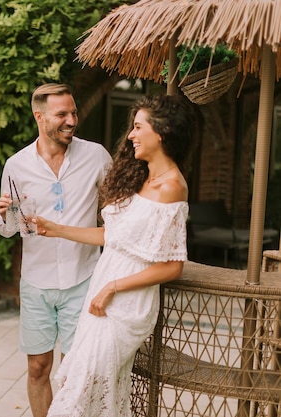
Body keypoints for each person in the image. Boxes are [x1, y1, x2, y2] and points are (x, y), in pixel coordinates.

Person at [36, 94, 198, 417]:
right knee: (86, 392)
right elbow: (113, 237)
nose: (131, 135)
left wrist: (113, 287)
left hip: (126, 304)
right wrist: (56, 229)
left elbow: (173, 266)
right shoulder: (142, 176)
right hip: (102, 297)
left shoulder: (172, 187)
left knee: (79, 394)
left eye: (138, 127)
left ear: (161, 132)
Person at [0, 83, 112, 417]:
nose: (72, 120)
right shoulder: (16, 165)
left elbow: (116, 209)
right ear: (40, 116)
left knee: (75, 372)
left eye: (73, 112)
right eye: (62, 114)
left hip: (84, 277)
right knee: (38, 367)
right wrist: (4, 215)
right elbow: (9, 229)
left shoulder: (97, 156)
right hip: (36, 280)